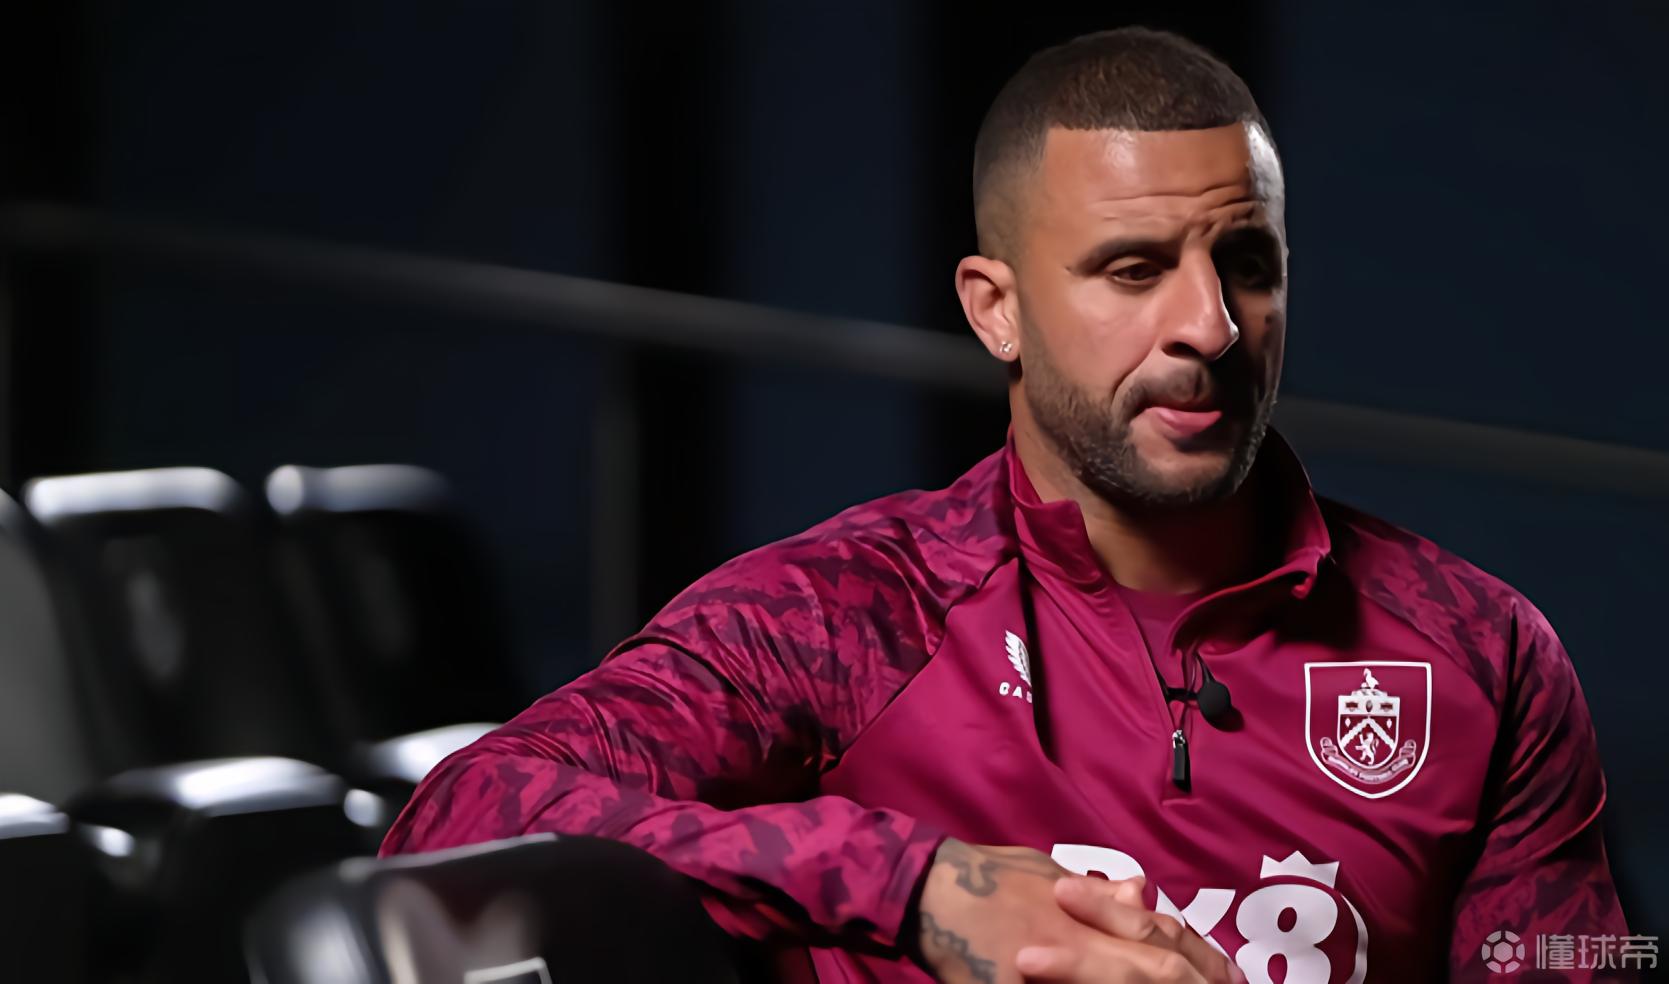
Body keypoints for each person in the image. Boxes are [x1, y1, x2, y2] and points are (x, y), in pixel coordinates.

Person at [381, 27, 1629, 983]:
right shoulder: (847, 613)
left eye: (1246, 264)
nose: (1209, 326)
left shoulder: (1483, 651)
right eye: (1132, 270)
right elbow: (456, 819)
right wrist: (916, 887)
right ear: (996, 310)